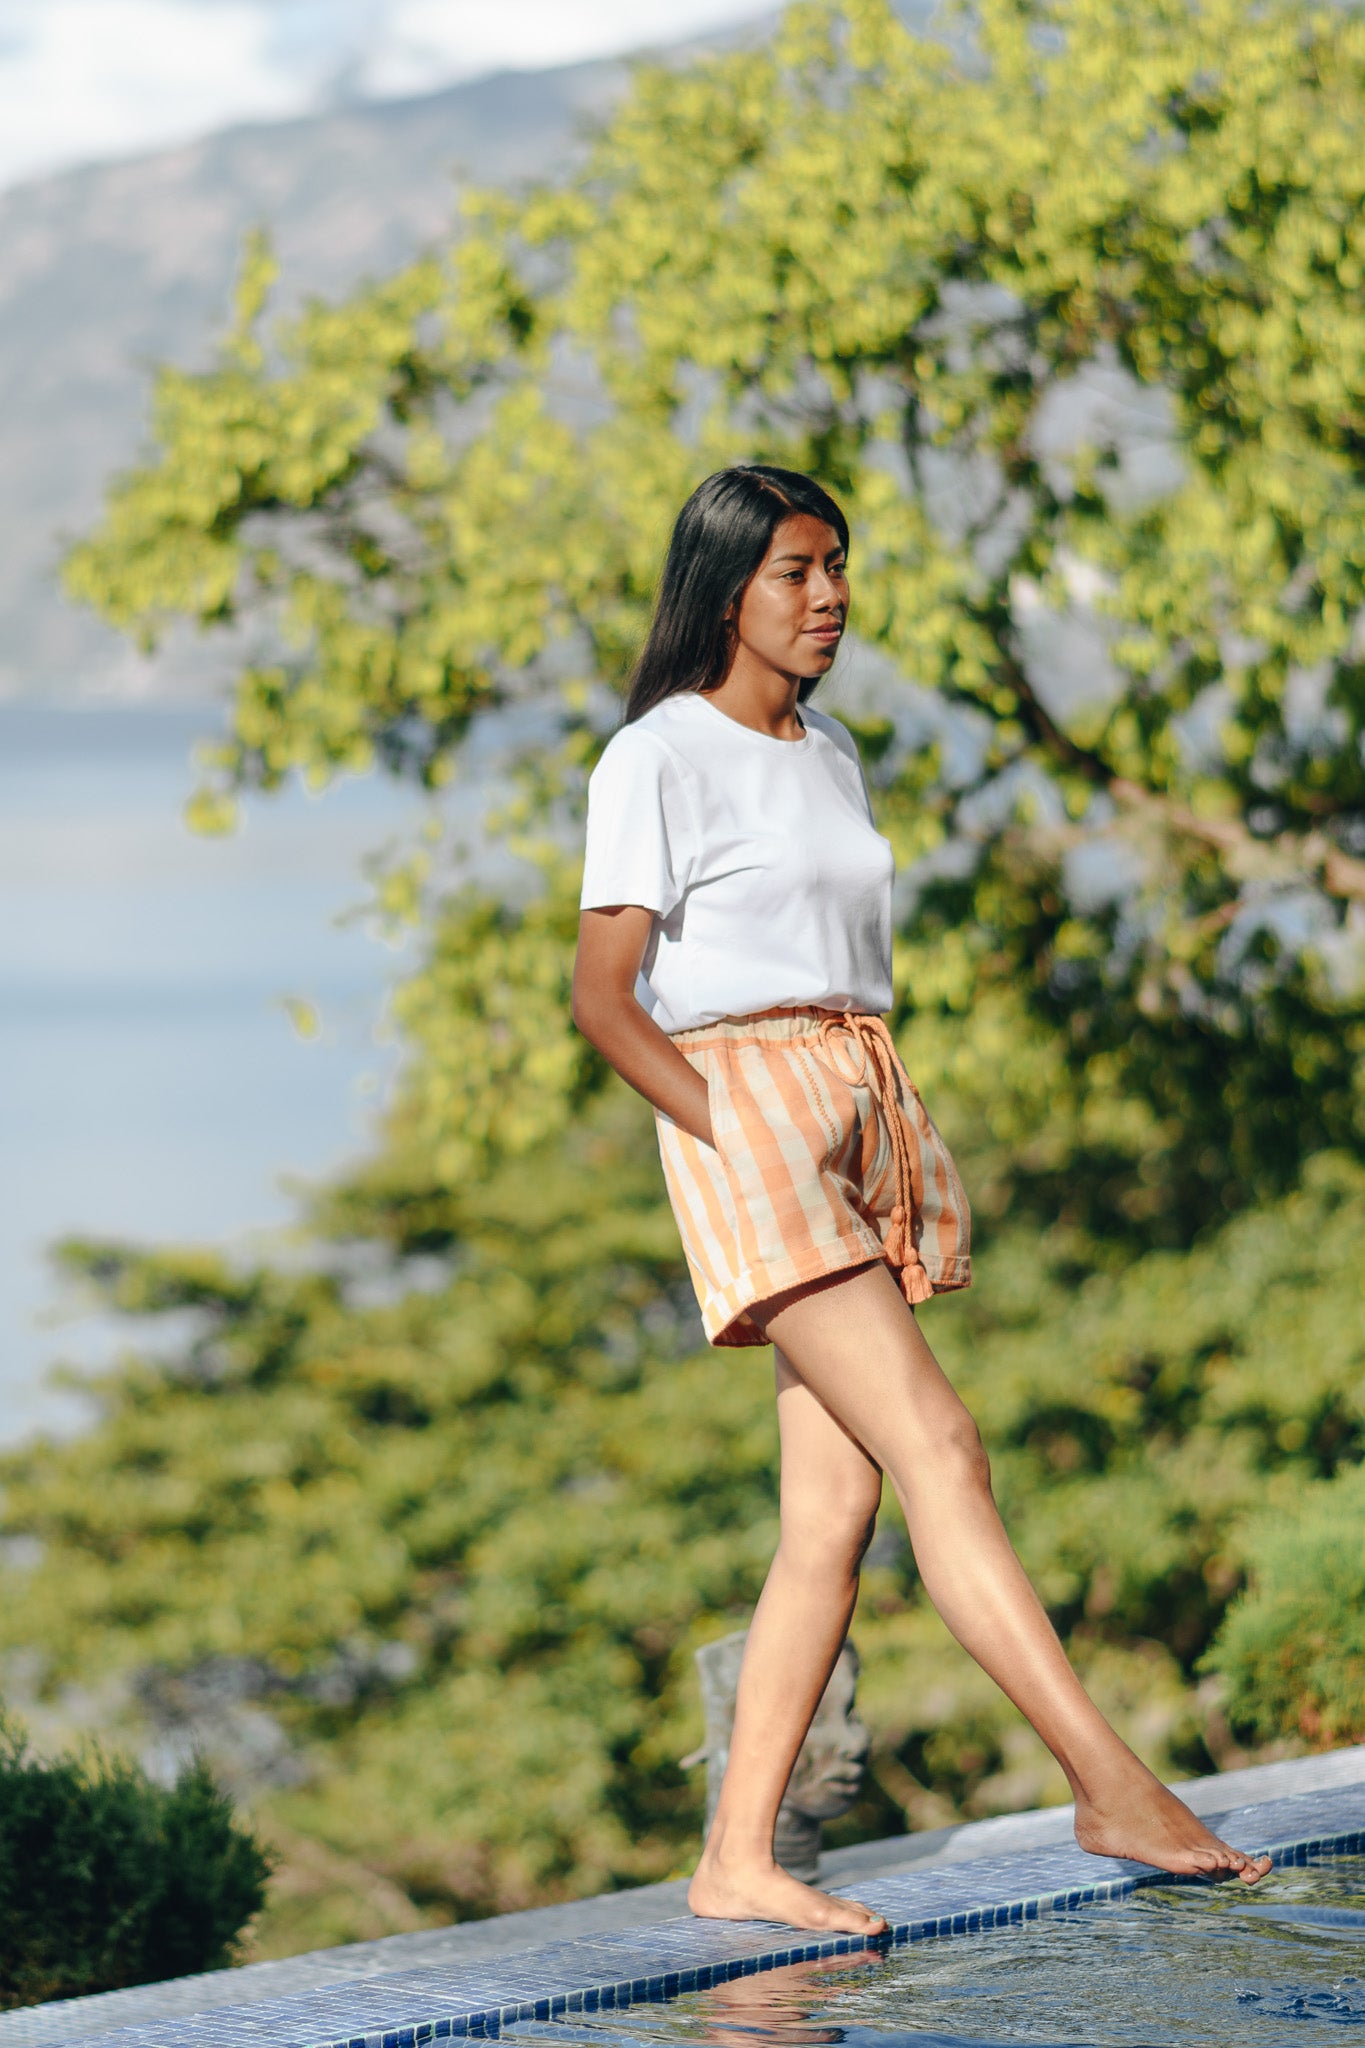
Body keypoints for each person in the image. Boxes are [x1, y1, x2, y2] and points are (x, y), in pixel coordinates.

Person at [571, 464, 1271, 1936]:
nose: (827, 597)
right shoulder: (655, 755)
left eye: (837, 568)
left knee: (831, 1508)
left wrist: (836, 1131)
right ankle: (1105, 1780)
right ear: (722, 591)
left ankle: (737, 1859)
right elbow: (604, 1000)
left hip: (855, 1097)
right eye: (793, 573)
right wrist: (736, 1139)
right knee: (941, 1440)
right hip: (746, 1109)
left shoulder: (828, 750)